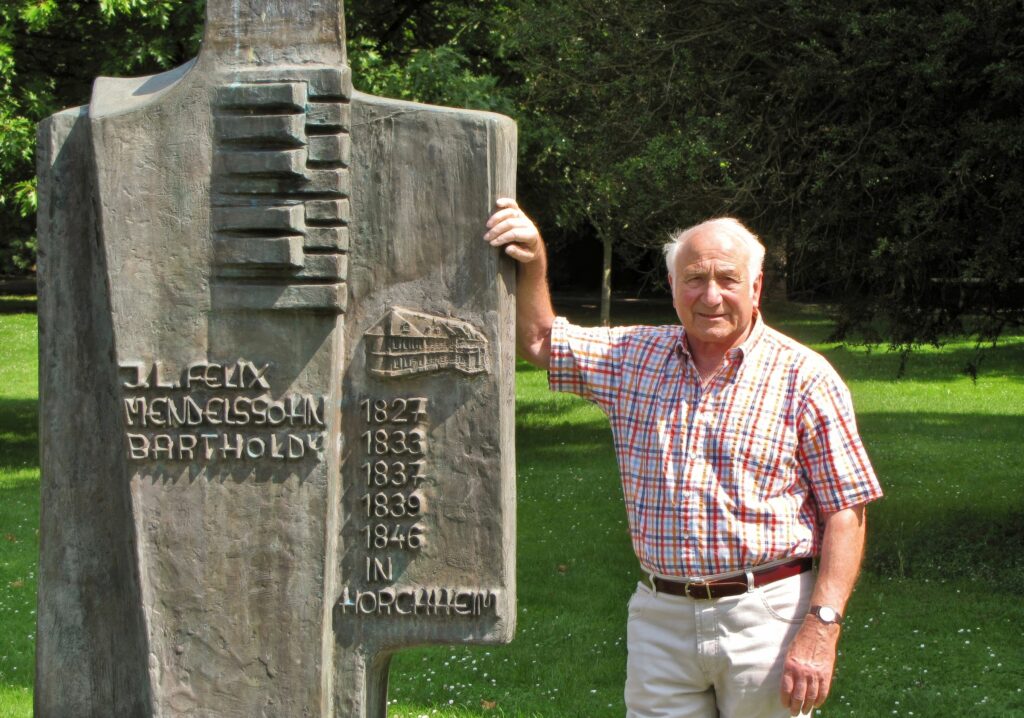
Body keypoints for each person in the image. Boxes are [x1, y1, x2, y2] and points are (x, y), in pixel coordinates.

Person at [484, 198, 883, 718]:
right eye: (694, 278)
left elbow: (846, 511)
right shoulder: (634, 358)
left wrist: (822, 625)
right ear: (672, 288)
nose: (711, 295)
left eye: (728, 279)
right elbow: (540, 340)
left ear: (756, 288)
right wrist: (533, 259)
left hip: (768, 614)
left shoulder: (804, 377)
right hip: (661, 615)